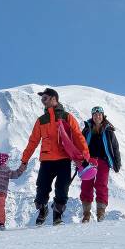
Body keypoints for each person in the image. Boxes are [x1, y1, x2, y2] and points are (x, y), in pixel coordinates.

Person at [19, 88, 90, 225]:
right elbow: (32, 142)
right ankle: (43, 209)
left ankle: (57, 216)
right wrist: (24, 161)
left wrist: (85, 156)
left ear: (53, 99)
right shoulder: (41, 121)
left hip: (64, 159)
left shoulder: (67, 117)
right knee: (41, 190)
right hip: (46, 161)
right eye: (41, 99)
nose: (42, 101)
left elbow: (78, 137)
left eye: (44, 98)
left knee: (62, 189)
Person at [80, 106, 122, 222]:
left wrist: (117, 163)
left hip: (103, 161)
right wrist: (80, 160)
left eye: (99, 114)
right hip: (89, 161)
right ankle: (86, 215)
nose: (97, 116)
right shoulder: (87, 130)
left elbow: (115, 147)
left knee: (101, 185)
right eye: (95, 114)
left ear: (103, 116)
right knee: (86, 186)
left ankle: (100, 213)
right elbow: (80, 145)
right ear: (92, 116)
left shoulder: (108, 131)